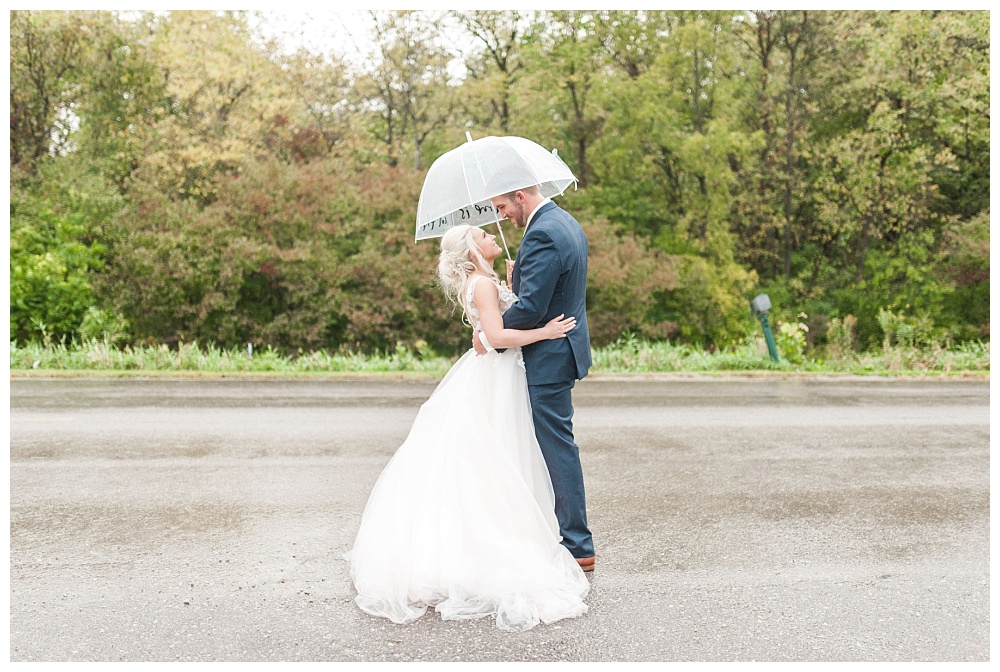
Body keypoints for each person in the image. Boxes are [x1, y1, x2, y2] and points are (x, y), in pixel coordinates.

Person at [345, 224, 589, 632]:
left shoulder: (485, 282)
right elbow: (495, 335)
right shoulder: (482, 285)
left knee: (500, 454)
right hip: (497, 373)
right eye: (483, 233)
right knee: (495, 456)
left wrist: (512, 286)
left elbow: (489, 328)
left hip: (496, 372)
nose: (492, 234)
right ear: (474, 248)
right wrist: (544, 332)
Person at [475, 185, 595, 572]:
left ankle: (578, 545)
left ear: (520, 197)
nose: (501, 216)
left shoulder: (542, 232)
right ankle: (562, 536)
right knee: (549, 444)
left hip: (549, 356)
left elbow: (532, 308)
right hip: (560, 351)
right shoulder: (565, 222)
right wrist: (519, 280)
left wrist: (486, 333)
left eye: (502, 206)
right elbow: (546, 293)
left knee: (556, 448)